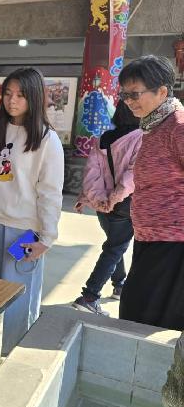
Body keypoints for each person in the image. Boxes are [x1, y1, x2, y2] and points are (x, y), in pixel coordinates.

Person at [0, 67, 64, 367]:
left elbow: (51, 193)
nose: (12, 101)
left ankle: (10, 354)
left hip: (23, 232)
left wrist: (46, 238)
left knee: (17, 295)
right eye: (7, 94)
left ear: (34, 98)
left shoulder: (46, 140)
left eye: (20, 95)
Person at [117, 55, 184, 330]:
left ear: (162, 92)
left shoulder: (177, 126)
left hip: (173, 243)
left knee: (142, 317)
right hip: (151, 237)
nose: (128, 101)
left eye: (135, 94)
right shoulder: (153, 126)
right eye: (124, 94)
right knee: (139, 316)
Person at [72, 101, 141, 315]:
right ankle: (89, 296)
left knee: (115, 245)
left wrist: (100, 199)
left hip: (103, 207)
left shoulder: (102, 139)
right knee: (115, 248)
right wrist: (114, 198)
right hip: (124, 205)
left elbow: (91, 174)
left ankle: (119, 285)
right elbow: (132, 176)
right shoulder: (141, 137)